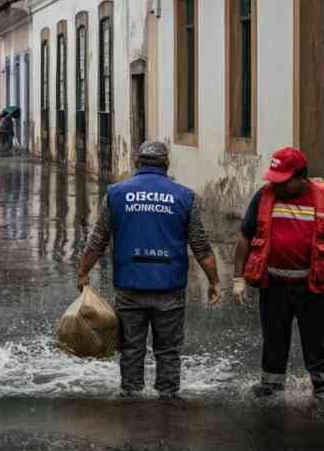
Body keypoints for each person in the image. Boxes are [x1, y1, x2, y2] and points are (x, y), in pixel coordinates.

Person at [76, 141, 221, 399]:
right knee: (168, 350)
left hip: (130, 286)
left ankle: (131, 398)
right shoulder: (184, 196)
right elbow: (201, 246)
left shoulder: (117, 194)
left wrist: (83, 272)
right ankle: (167, 399)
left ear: (136, 162)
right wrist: (214, 281)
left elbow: (97, 239)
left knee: (131, 348)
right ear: (166, 164)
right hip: (170, 287)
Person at [233, 146, 324, 400]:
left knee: (318, 342)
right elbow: (245, 236)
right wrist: (237, 279)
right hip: (274, 285)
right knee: (274, 341)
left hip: (311, 286)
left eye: (283, 181)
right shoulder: (264, 196)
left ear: (302, 178)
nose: (276, 186)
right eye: (274, 180)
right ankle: (271, 387)